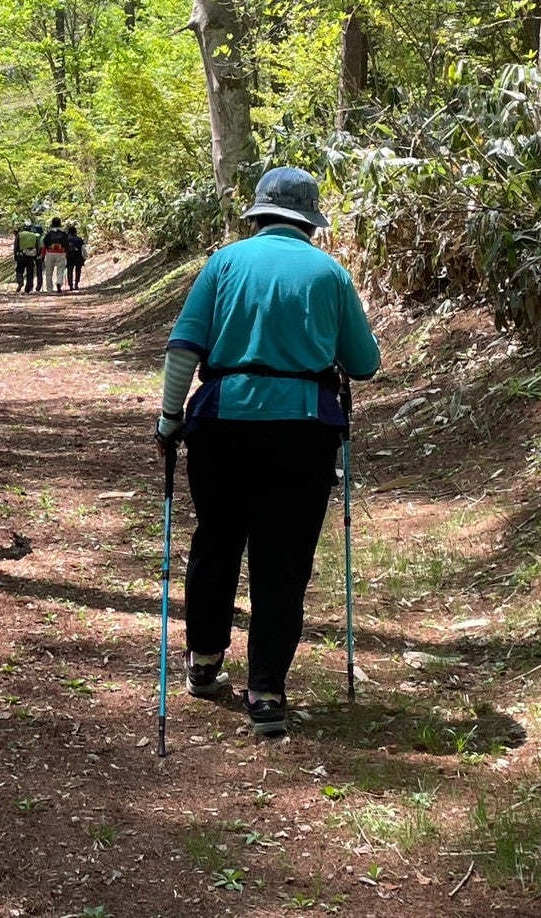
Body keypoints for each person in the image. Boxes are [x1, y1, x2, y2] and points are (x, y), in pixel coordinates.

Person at [154, 166, 380, 736]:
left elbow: (184, 347)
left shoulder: (224, 263)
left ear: (257, 213)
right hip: (303, 429)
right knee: (283, 560)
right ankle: (267, 693)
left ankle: (204, 663)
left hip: (222, 421)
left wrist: (169, 419)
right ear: (309, 220)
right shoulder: (332, 273)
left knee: (217, 539)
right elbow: (365, 364)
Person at [41, 217, 69, 293]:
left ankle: (49, 289)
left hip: (50, 253)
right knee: (60, 270)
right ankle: (59, 282)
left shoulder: (49, 234)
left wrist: (49, 247)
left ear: (52, 224)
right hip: (60, 253)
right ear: (60, 224)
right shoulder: (63, 233)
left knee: (49, 272)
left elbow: (45, 241)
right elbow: (67, 243)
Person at [14, 220, 41, 293]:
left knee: (19, 270)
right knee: (30, 272)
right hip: (30, 257)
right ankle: (28, 288)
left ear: (24, 227)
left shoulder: (19, 235)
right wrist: (35, 256)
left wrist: (15, 255)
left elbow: (16, 245)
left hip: (21, 256)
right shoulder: (34, 235)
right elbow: (37, 247)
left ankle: (20, 282)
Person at [65, 224, 87, 290]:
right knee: (78, 271)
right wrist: (84, 257)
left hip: (69, 256)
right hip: (78, 256)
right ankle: (76, 284)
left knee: (69, 270)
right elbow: (83, 249)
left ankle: (70, 285)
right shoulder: (80, 239)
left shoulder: (67, 240)